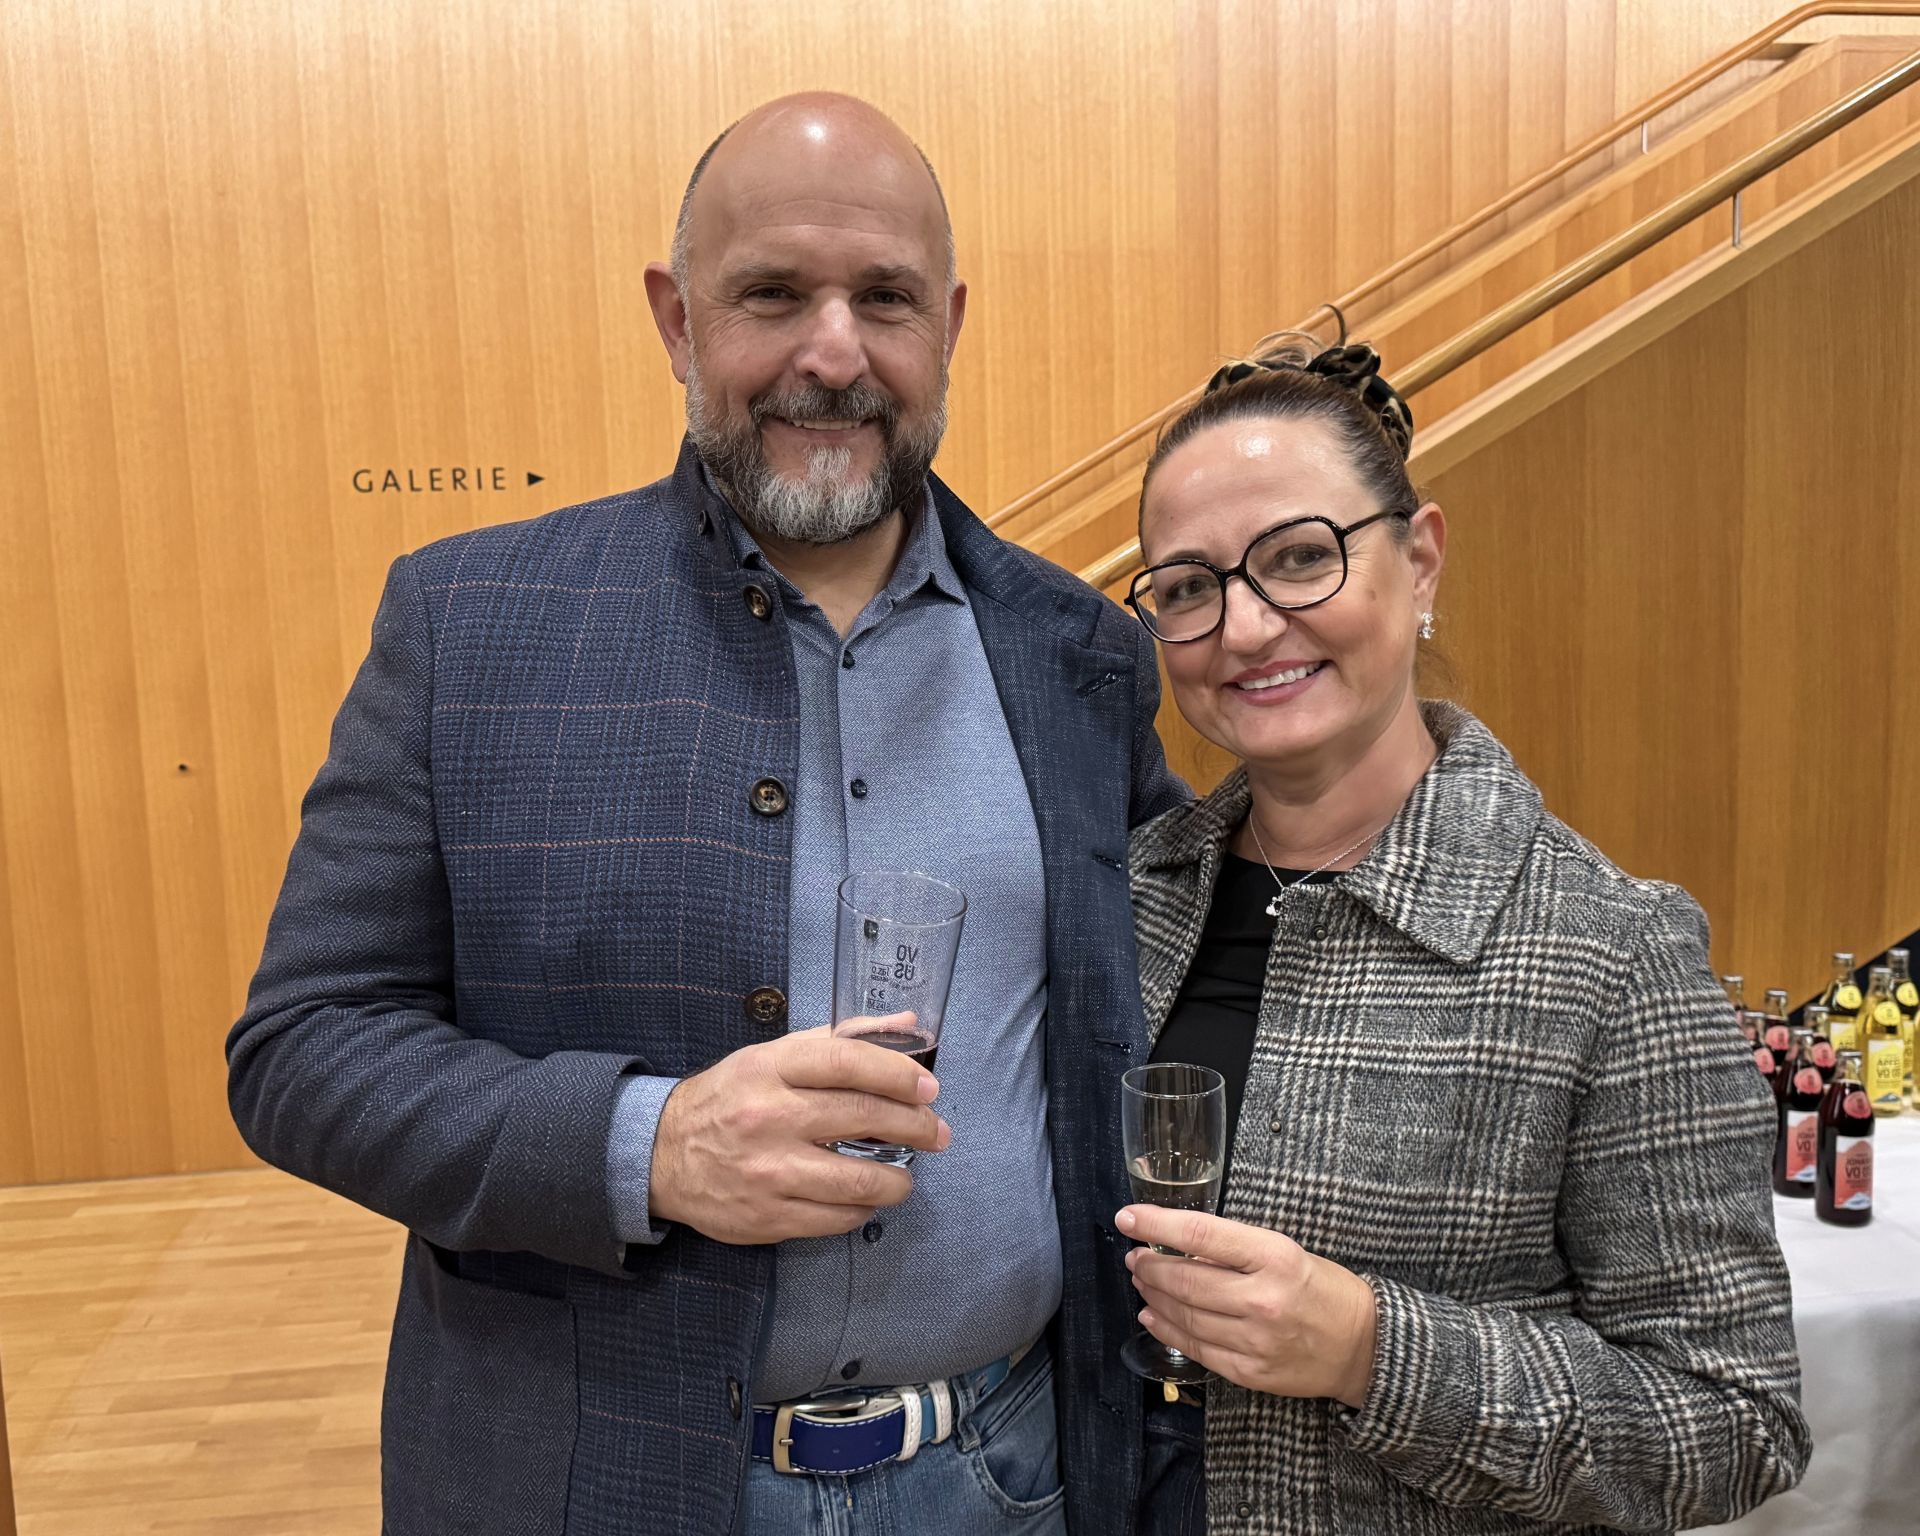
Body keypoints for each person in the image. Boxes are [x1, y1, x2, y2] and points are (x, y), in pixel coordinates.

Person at [227, 93, 1185, 1536]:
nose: (834, 351)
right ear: (677, 322)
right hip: (594, 1487)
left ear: (952, 327)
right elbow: (301, 1053)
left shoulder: (1081, 657)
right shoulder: (469, 629)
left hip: (1013, 1477)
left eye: (886, 299)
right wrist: (644, 1144)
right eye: (772, 295)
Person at [1114, 338, 1810, 1534]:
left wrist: (1373, 1351)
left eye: (1295, 559)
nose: (1242, 627)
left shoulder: (1608, 949)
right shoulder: (1131, 896)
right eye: (1186, 585)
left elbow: (1733, 1426)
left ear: (1419, 558)